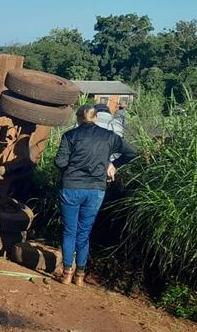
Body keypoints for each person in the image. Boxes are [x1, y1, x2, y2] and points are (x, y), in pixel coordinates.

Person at [54, 105, 137, 286]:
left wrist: (71, 170)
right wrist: (113, 163)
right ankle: (80, 277)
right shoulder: (109, 137)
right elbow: (132, 152)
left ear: (78, 118)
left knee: (69, 232)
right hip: (96, 190)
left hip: (71, 187)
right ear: (96, 117)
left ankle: (67, 273)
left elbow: (60, 161)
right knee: (84, 233)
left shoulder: (69, 136)